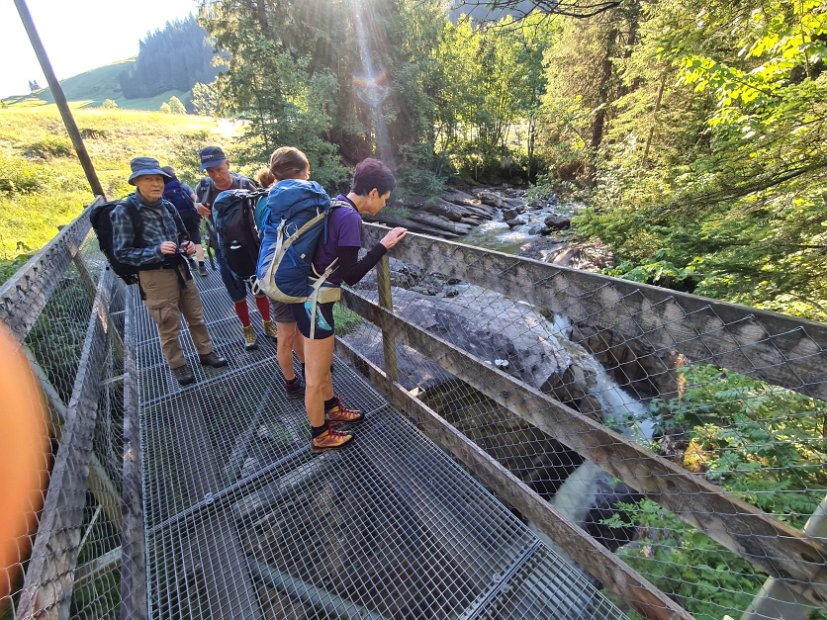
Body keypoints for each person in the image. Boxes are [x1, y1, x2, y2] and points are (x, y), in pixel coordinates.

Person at [267, 151, 406, 454]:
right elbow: (351, 274)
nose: (384, 204)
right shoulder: (349, 218)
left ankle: (331, 408)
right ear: (372, 192)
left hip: (308, 298)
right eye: (384, 198)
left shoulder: (335, 203)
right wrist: (382, 246)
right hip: (315, 304)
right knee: (316, 375)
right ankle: (319, 435)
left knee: (321, 367)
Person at [112, 157, 228, 385]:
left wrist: (186, 245)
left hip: (181, 268)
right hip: (154, 276)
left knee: (196, 315)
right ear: (136, 182)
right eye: (149, 179)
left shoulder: (167, 206)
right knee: (168, 322)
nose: (156, 184)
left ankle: (206, 353)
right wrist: (156, 250)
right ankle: (178, 365)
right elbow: (122, 253)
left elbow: (183, 235)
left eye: (159, 179)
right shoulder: (125, 211)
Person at [194, 146, 277, 350]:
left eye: (219, 169)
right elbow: (197, 209)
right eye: (210, 171)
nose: (216, 175)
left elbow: (261, 212)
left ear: (227, 164)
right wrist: (197, 208)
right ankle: (247, 329)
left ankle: (268, 323)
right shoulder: (204, 189)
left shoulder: (245, 184)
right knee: (236, 294)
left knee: (259, 291)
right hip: (223, 251)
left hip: (250, 248)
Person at [256, 162, 306, 399]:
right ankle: (294, 383)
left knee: (290, 332)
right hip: (289, 276)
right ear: (299, 172)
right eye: (306, 172)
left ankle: (298, 376)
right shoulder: (293, 200)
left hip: (269, 272)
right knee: (288, 334)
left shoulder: (264, 200)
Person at [160, 165, 207, 277]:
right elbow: (195, 199)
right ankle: (202, 267)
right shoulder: (183, 186)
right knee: (197, 242)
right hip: (191, 218)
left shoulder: (162, 191)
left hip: (176, 221)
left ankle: (191, 262)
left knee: (184, 242)